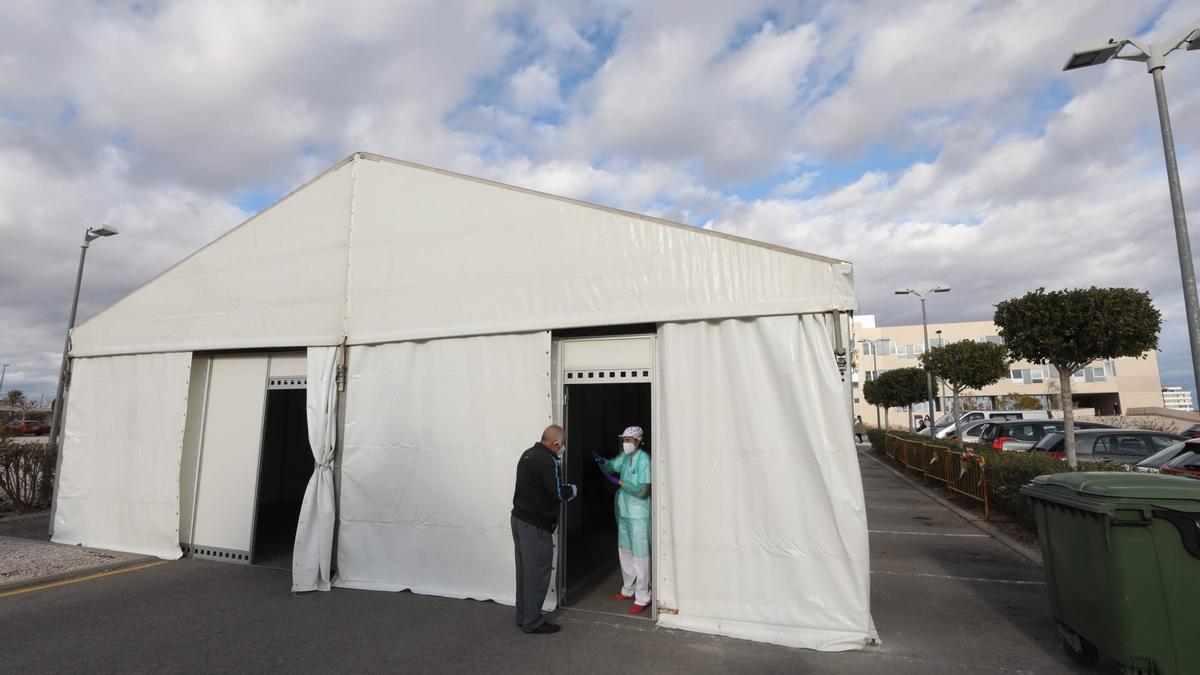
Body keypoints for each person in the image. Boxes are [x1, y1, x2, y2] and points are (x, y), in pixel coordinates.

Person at [511, 424, 577, 634]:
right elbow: (557, 492)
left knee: (524, 571)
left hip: (519, 519)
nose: (562, 448)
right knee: (538, 572)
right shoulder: (547, 460)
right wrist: (573, 489)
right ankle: (533, 621)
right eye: (562, 444)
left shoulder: (527, 454)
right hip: (535, 526)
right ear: (555, 443)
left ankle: (523, 616)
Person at [593, 426, 652, 614]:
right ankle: (628, 589)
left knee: (641, 556)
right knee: (625, 551)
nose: (625, 443)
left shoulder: (644, 460)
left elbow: (643, 491)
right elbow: (612, 466)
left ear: (638, 441)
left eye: (628, 440)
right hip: (625, 512)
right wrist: (602, 462)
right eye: (624, 440)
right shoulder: (625, 457)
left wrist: (620, 482)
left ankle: (643, 596)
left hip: (639, 514)